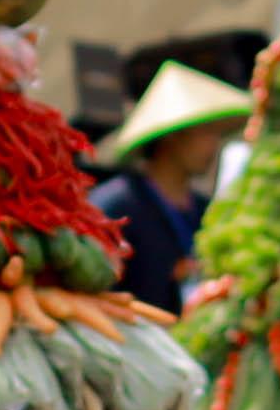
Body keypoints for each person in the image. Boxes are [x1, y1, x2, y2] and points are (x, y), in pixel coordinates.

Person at [93, 63, 238, 319]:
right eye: (206, 132)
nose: (214, 145)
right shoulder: (117, 206)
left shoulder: (207, 210)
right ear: (173, 135)